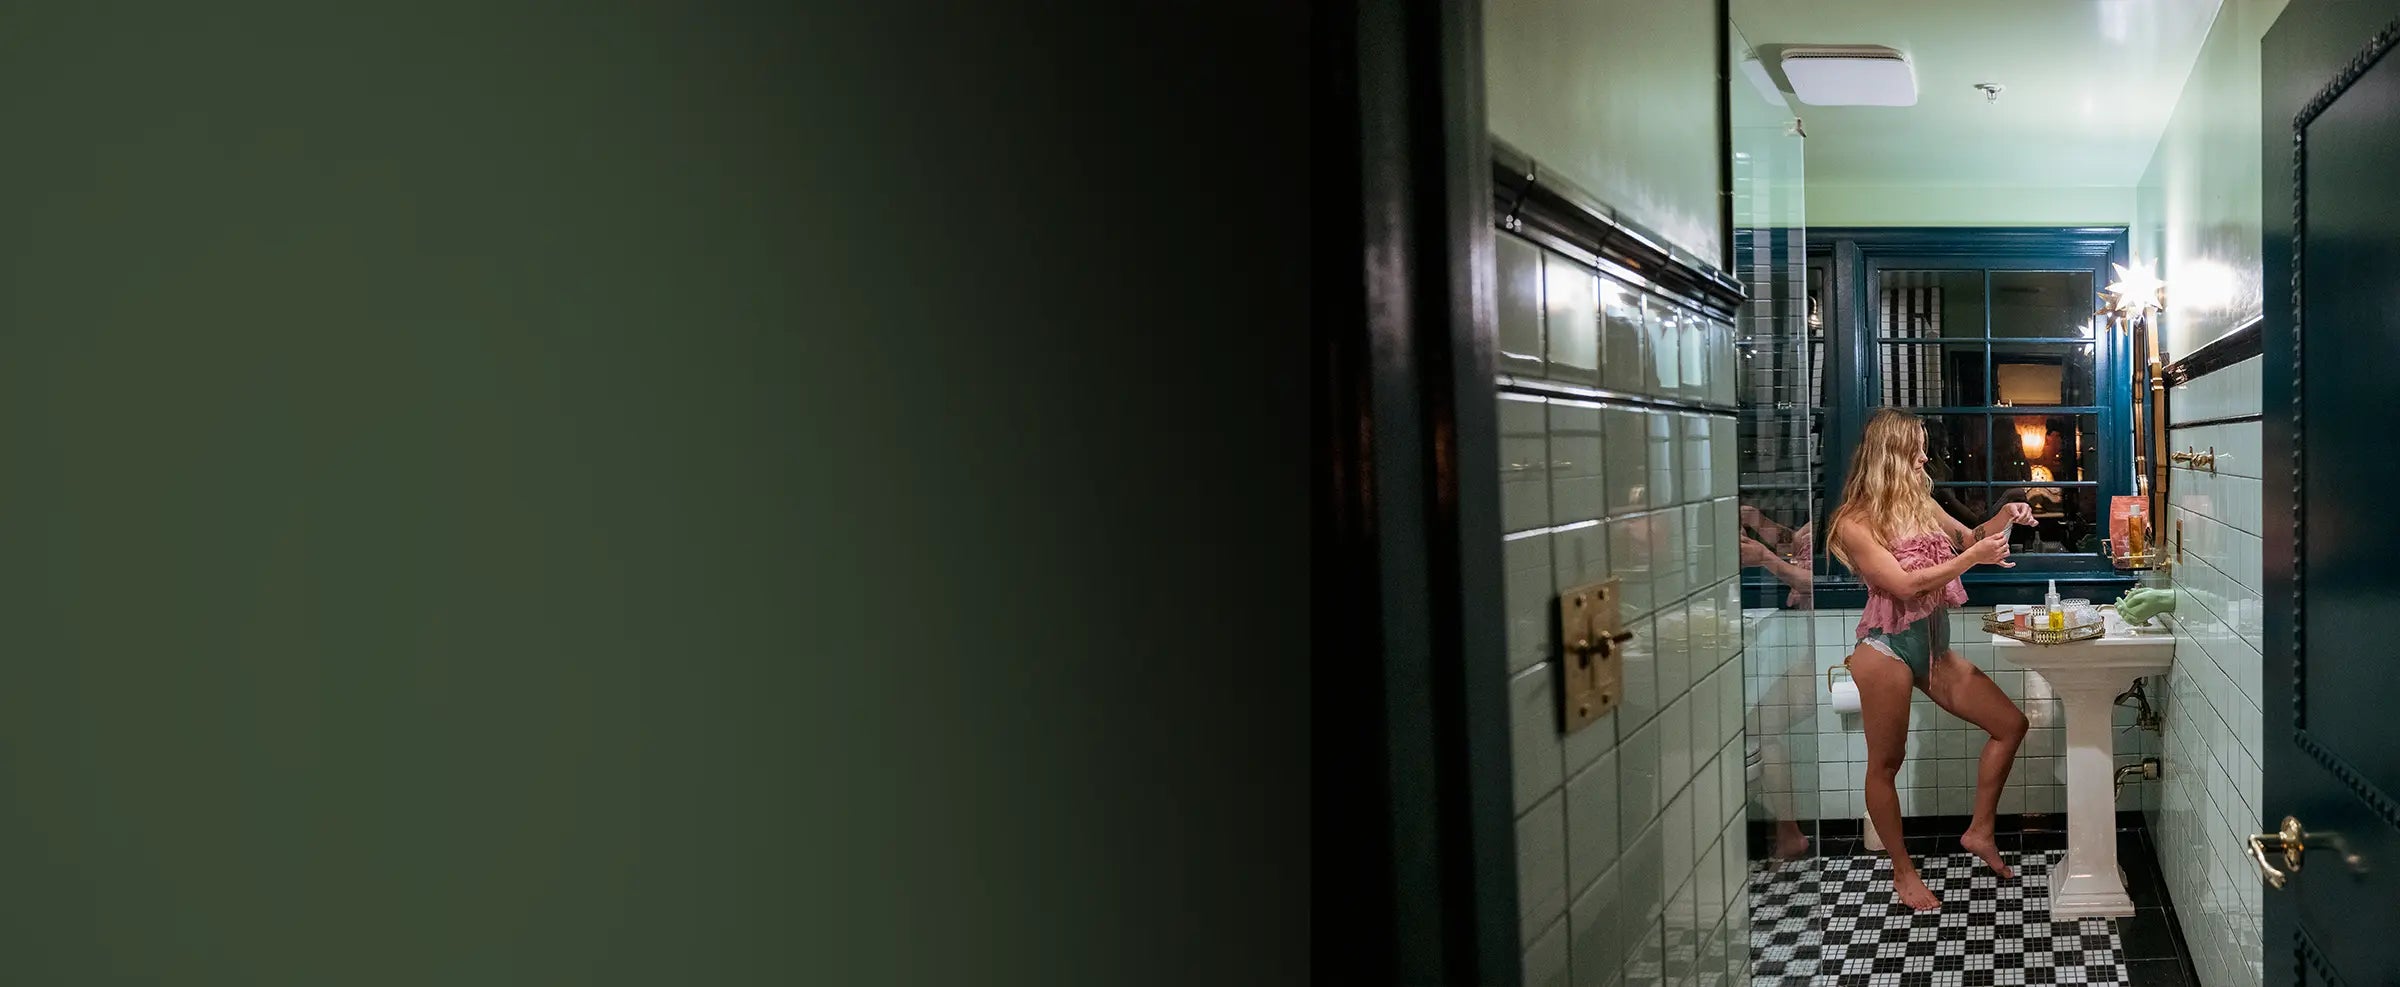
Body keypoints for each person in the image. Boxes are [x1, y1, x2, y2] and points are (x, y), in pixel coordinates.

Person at [1827, 408, 2034, 911]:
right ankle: (1903, 872)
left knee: (2010, 724)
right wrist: (1970, 560)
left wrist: (2007, 515)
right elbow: (1904, 585)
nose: (1924, 456)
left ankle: (1979, 831)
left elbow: (1970, 538)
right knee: (1886, 764)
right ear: (1889, 454)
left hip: (1932, 650)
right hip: (1885, 651)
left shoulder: (1918, 501)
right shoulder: (1854, 522)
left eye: (1923, 447)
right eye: (1915, 448)